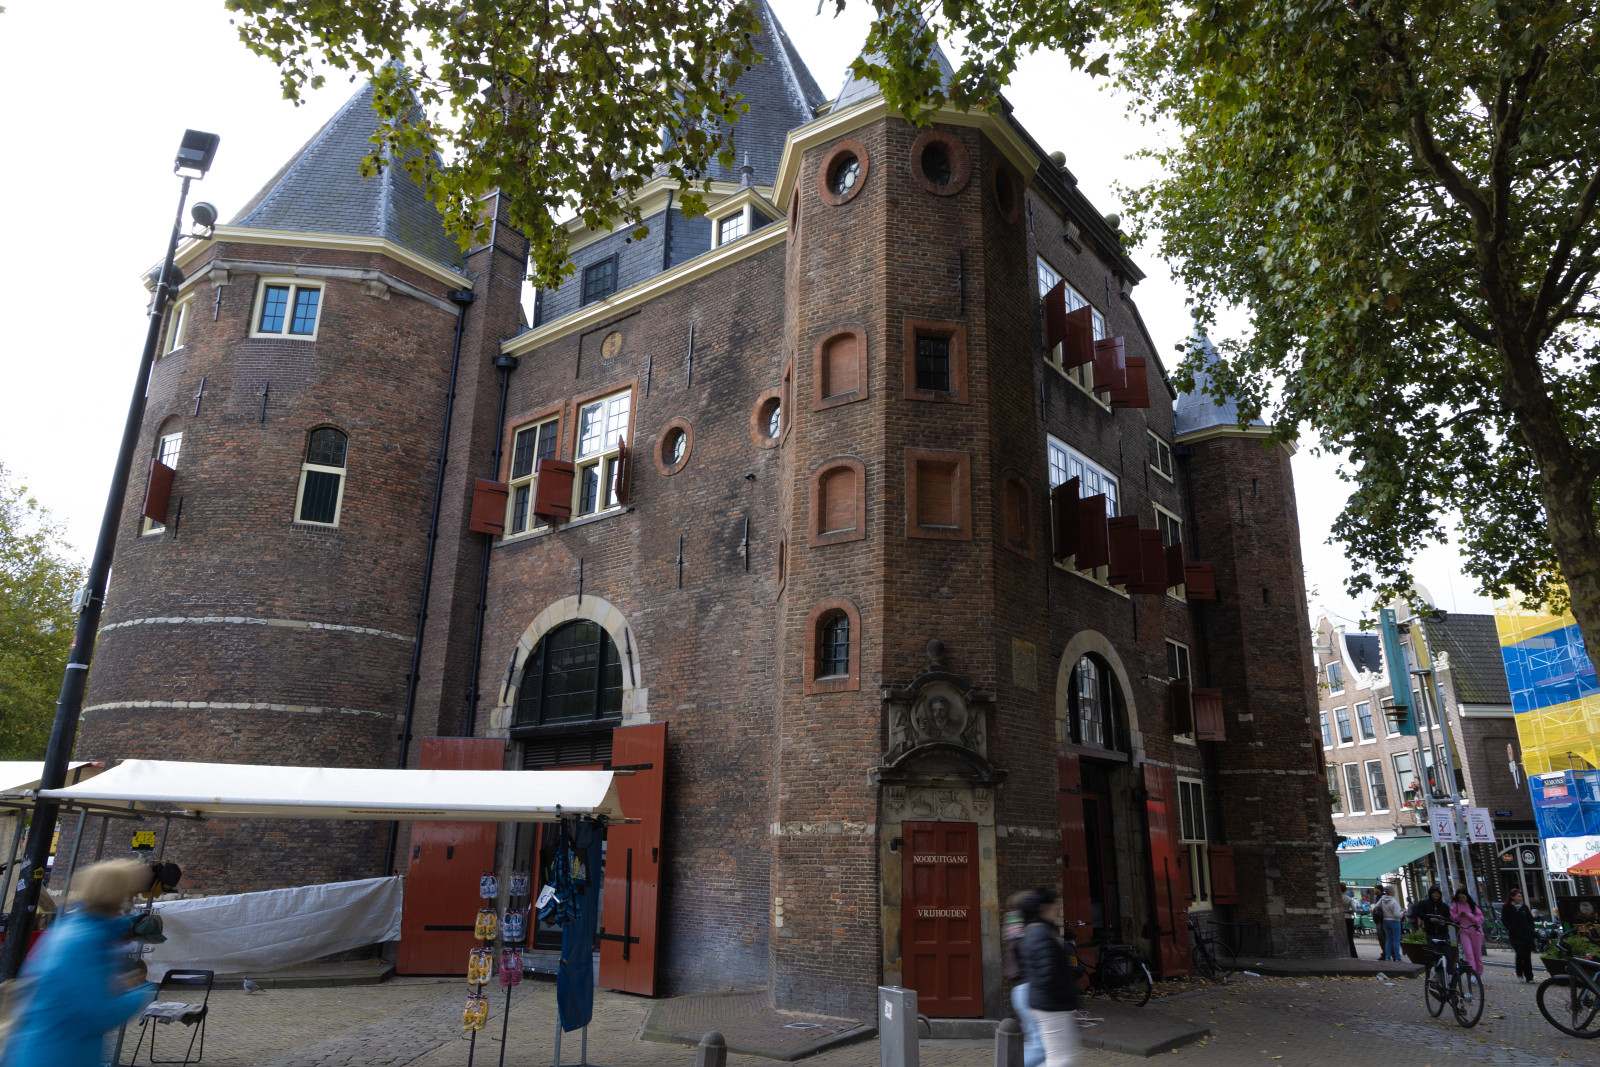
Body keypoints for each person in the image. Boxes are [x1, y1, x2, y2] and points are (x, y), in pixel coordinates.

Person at [0, 859, 157, 1067]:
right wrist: (140, 993)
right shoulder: (85, 941)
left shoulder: (76, 927)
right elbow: (94, 1014)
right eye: (130, 894)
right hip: (57, 1056)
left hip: (53, 1050)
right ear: (118, 897)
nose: (130, 900)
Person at [1019, 886, 1084, 1067]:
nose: (1057, 909)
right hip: (1052, 1006)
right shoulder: (1040, 935)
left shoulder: (1038, 932)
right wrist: (1068, 991)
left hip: (1052, 1004)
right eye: (1054, 905)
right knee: (1061, 1060)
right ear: (1043, 908)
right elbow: (1048, 974)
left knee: (1061, 1059)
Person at [1003, 890, 1045, 1067]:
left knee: (1039, 1044)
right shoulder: (1026, 931)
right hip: (1028, 989)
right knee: (1040, 1047)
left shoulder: (1014, 927)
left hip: (1021, 989)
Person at [1414, 884, 1456, 972]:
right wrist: (1429, 918)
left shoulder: (1444, 906)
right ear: (1430, 894)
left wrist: (1445, 922)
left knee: (1448, 955)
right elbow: (1419, 913)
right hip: (1431, 933)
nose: (1436, 895)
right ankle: (1437, 973)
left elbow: (1449, 918)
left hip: (1443, 933)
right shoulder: (1424, 904)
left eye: (1438, 893)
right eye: (1434, 893)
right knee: (1434, 955)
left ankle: (1450, 974)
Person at [1502, 888, 1537, 982]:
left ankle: (1529, 977)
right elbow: (1504, 920)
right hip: (1515, 935)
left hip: (1526, 935)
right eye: (1518, 896)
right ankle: (1519, 972)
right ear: (1512, 897)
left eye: (1521, 896)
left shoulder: (1524, 907)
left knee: (1527, 955)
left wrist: (1530, 929)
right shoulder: (1507, 907)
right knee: (1520, 953)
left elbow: (1530, 919)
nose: (1520, 898)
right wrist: (1511, 928)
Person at [1451, 889, 1485, 977]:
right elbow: (1453, 919)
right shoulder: (1455, 906)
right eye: (1460, 898)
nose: (1462, 899)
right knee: (1468, 954)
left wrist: (1469, 915)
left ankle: (1478, 975)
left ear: (1467, 897)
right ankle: (1472, 974)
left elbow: (1480, 919)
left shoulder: (1473, 906)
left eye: (1463, 897)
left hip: (1475, 932)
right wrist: (1459, 916)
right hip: (1464, 932)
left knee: (1477, 955)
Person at [1373, 884, 1405, 962]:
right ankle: (1397, 957)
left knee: (1388, 939)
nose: (1394, 892)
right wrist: (1403, 913)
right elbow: (1397, 915)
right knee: (1396, 939)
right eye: (1393, 891)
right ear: (1390, 892)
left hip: (1385, 921)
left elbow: (1375, 907)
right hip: (1394, 921)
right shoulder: (1394, 902)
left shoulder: (1382, 899)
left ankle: (1388, 956)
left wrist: (1382, 911)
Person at [1340, 882, 1357, 957]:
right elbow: (1354, 909)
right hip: (1348, 918)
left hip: (1341, 918)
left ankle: (1344, 952)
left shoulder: (1338, 899)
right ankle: (1353, 953)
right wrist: (1349, 911)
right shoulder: (1349, 899)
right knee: (1350, 937)